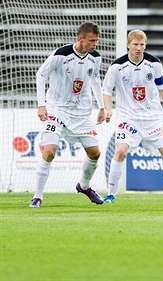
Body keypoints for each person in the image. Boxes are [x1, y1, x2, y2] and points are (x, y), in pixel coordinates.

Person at [101, 29, 163, 204]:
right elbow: (106, 90)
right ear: (128, 45)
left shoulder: (153, 64)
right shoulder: (117, 66)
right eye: (135, 44)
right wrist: (108, 109)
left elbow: (162, 89)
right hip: (128, 118)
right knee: (120, 151)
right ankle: (110, 194)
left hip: (153, 117)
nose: (139, 48)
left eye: (142, 44)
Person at [29, 22, 106, 207]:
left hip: (81, 112)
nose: (95, 44)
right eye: (92, 41)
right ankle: (37, 196)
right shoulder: (61, 54)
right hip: (57, 109)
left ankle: (84, 186)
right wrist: (41, 105)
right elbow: (41, 75)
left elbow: (95, 80)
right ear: (80, 39)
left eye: (96, 41)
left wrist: (102, 107)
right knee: (50, 151)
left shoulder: (95, 58)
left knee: (95, 153)